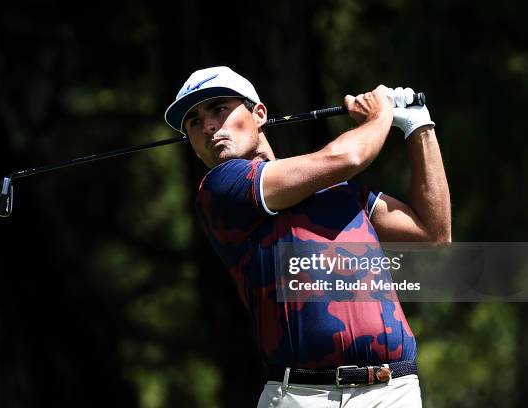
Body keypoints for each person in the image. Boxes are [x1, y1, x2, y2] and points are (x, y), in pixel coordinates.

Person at [164, 66, 451, 407]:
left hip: (392, 391)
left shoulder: (339, 191)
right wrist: (381, 116)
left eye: (219, 109)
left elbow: (433, 234)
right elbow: (348, 156)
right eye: (194, 122)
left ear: (259, 114)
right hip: (300, 395)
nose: (209, 126)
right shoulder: (220, 190)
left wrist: (418, 125)